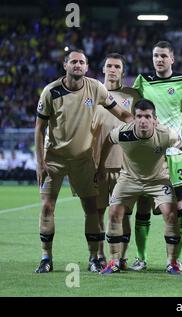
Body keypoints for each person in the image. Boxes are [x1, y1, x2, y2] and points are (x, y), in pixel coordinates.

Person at [34, 49, 133, 273]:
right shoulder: (51, 91)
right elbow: (39, 129)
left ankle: (93, 258)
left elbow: (121, 113)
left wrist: (134, 123)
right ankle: (46, 258)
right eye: (73, 62)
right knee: (47, 207)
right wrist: (40, 163)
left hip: (84, 160)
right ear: (65, 65)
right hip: (55, 159)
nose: (77, 65)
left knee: (91, 208)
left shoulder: (96, 88)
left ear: (87, 67)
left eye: (81, 62)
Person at [132, 41, 182, 273]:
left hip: (177, 154)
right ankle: (141, 258)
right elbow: (135, 112)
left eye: (163, 56)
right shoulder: (142, 81)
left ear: (172, 59)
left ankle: (175, 259)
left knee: (178, 207)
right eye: (155, 56)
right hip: (150, 154)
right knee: (144, 203)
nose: (159, 60)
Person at [97, 99, 182, 275]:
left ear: (155, 119)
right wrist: (100, 166)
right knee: (114, 213)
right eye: (139, 116)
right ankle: (114, 261)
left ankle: (172, 262)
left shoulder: (167, 134)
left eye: (147, 116)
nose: (143, 120)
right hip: (129, 179)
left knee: (171, 214)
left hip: (158, 180)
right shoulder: (123, 133)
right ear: (134, 118)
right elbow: (107, 140)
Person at [91, 53, 141, 270]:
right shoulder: (92, 93)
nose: (112, 69)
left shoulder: (132, 97)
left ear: (122, 71)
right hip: (96, 164)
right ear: (103, 69)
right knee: (98, 212)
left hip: (125, 165)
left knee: (124, 214)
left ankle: (121, 258)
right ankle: (100, 256)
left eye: (117, 66)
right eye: (109, 65)